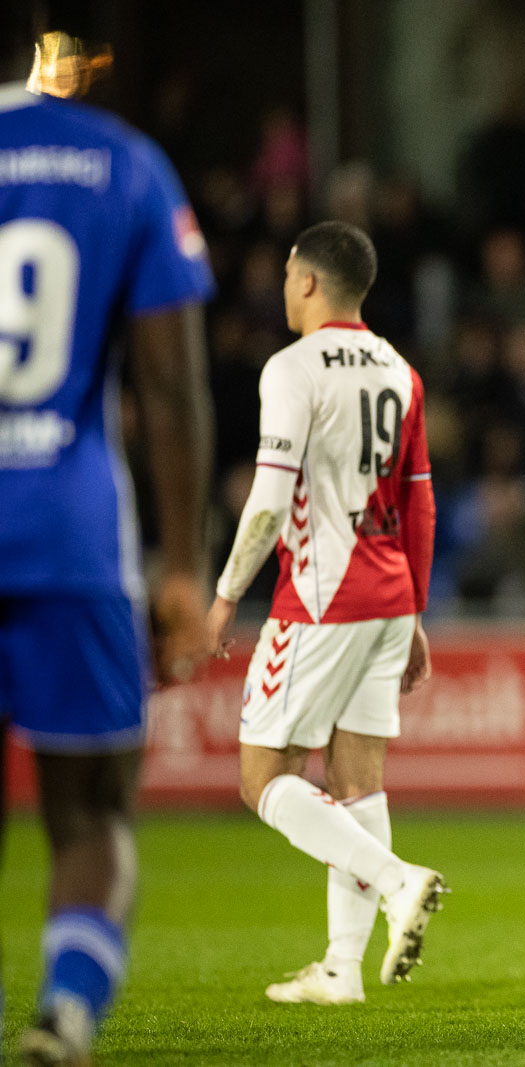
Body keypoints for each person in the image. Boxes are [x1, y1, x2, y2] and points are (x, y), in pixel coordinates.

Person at [0, 23, 214, 1064]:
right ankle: (69, 1011)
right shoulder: (120, 161)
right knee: (91, 813)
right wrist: (182, 562)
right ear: (44, 50)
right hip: (68, 530)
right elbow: (169, 385)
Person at [205, 221, 446, 1007]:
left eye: (285, 275)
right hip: (387, 596)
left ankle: (395, 877)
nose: (281, 288)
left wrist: (224, 594)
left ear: (308, 281)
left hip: (318, 598)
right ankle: (343, 967)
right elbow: (420, 504)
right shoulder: (400, 371)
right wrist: (414, 609)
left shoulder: (292, 367)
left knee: (262, 777)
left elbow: (270, 501)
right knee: (355, 780)